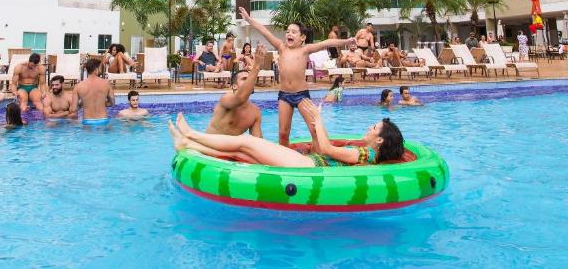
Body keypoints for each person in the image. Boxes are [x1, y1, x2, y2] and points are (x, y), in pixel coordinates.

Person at [238, 6, 352, 147]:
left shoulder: (305, 50)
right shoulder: (281, 47)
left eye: (293, 32)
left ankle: (318, 157)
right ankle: (286, 160)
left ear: (302, 37)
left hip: (302, 95)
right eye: (287, 32)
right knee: (283, 133)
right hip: (284, 96)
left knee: (315, 130)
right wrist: (248, 19)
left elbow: (326, 43)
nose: (289, 34)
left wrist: (345, 42)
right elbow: (264, 31)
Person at [168, 106, 405, 168]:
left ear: (381, 139)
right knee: (241, 153)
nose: (369, 128)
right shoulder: (370, 154)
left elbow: (326, 149)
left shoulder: (365, 152)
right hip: (306, 164)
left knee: (246, 142)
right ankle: (188, 144)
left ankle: (191, 134)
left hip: (305, 165)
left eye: (374, 127)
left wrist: (319, 119)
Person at [206, 46, 265, 136]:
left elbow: (258, 142)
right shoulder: (226, 98)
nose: (249, 81)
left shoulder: (255, 112)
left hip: (232, 148)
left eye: (250, 79)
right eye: (245, 79)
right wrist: (256, 66)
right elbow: (240, 98)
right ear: (234, 86)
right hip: (211, 147)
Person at [74, 57, 115, 125]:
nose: (101, 70)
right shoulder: (106, 83)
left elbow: (74, 109)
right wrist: (100, 103)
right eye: (100, 68)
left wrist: (85, 103)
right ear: (96, 69)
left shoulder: (78, 86)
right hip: (103, 120)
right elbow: (112, 103)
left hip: (87, 121)